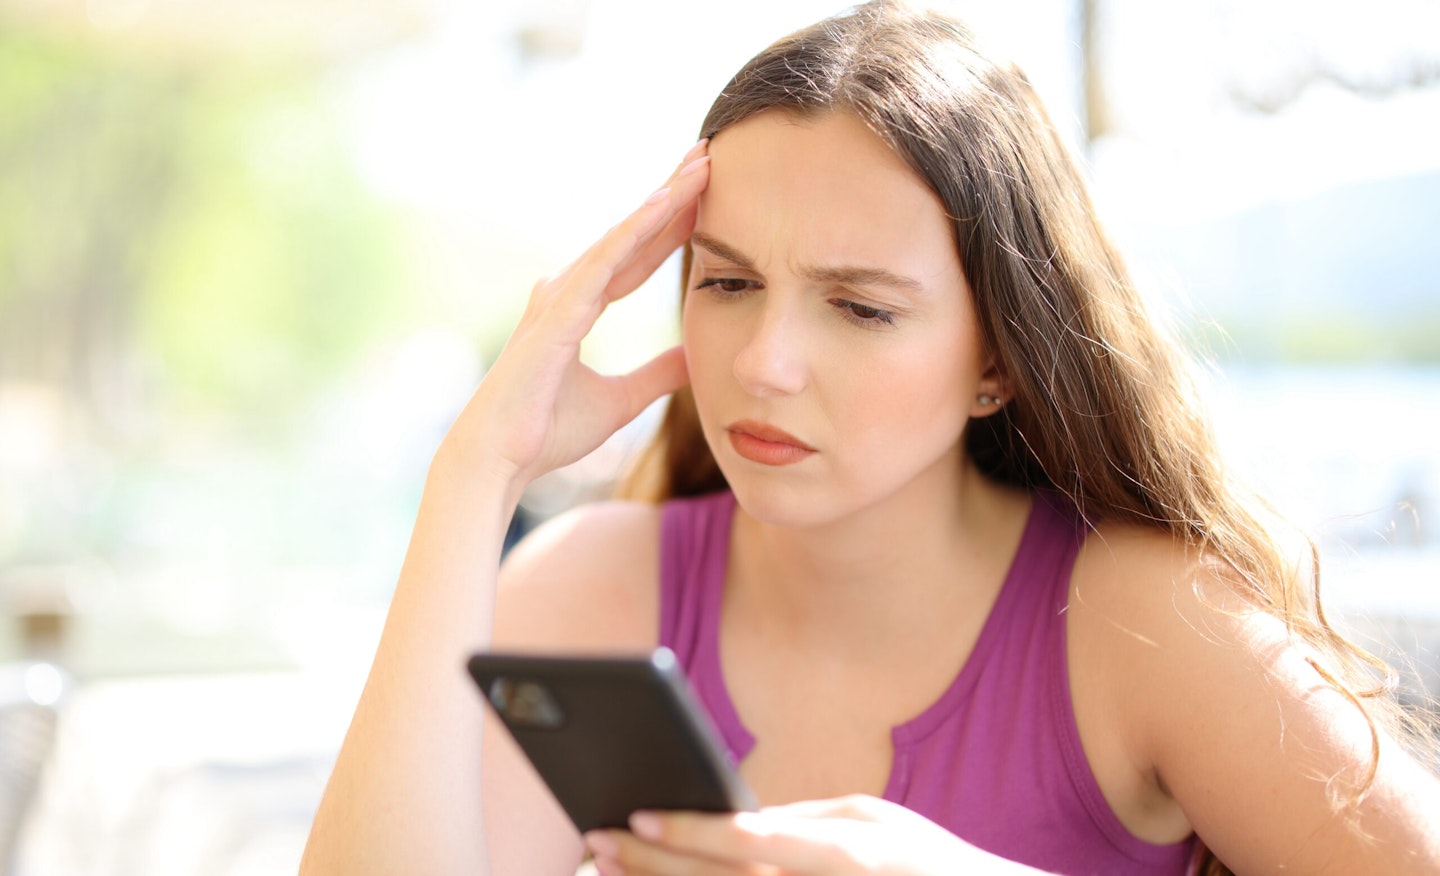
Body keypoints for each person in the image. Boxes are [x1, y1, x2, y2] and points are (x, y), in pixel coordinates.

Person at [300, 2, 1440, 874]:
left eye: (859, 306)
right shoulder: (594, 589)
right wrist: (475, 474)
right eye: (729, 281)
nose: (764, 363)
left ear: (999, 357)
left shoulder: (1155, 625)